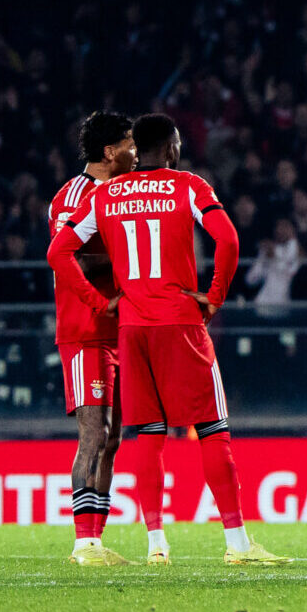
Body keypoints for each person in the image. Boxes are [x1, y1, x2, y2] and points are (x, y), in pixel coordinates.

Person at [48, 112, 289, 566]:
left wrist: (110, 300)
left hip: (129, 326)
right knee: (210, 428)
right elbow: (228, 240)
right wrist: (214, 297)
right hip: (166, 322)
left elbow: (58, 251)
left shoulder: (105, 195)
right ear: (173, 148)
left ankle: (156, 545)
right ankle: (237, 544)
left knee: (142, 434)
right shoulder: (186, 185)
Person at [46, 111, 136, 565]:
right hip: (86, 329)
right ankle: (83, 543)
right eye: (129, 144)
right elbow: (72, 258)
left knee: (113, 438)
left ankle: (97, 540)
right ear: (109, 151)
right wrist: (126, 259)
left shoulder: (121, 193)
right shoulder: (72, 197)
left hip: (122, 329)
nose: (135, 153)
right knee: (93, 432)